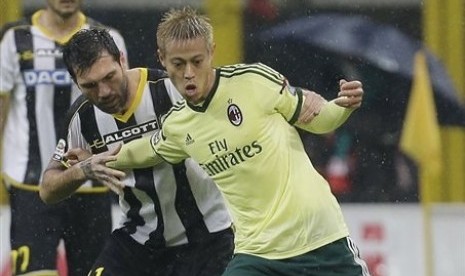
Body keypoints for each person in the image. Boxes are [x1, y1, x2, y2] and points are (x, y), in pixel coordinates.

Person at [92, 7, 371, 276]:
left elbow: (320, 118)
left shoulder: (254, 81)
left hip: (320, 238)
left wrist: (343, 105)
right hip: (257, 253)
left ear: (212, 53)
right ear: (162, 59)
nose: (189, 73)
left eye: (197, 61)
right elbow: (148, 150)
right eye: (178, 63)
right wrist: (97, 158)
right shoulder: (177, 124)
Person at [39, 28, 235, 276]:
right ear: (75, 82)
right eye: (89, 85)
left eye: (109, 77)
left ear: (121, 59)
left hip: (208, 239)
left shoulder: (171, 89)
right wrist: (82, 170)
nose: (104, 92)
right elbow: (47, 189)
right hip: (138, 242)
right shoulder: (82, 118)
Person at [0, 1, 127, 275]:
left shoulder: (108, 39)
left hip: (92, 184)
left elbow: (124, 107)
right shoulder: (14, 39)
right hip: (30, 184)